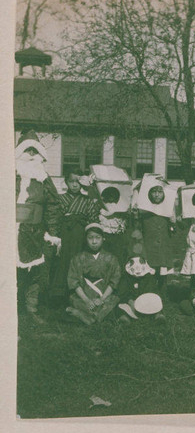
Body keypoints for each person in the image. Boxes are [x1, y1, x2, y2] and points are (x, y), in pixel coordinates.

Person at [16, 130, 62, 321]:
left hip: (36, 230)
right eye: (28, 151)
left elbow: (53, 204)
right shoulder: (9, 174)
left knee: (36, 271)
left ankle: (31, 308)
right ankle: (12, 307)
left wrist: (52, 232)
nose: (31, 156)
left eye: (35, 151)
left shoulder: (44, 178)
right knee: (12, 271)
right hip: (12, 230)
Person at [50, 167, 100, 306]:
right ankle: (59, 295)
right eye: (71, 181)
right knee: (62, 263)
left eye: (78, 182)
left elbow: (93, 219)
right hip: (64, 236)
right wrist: (55, 236)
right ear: (66, 182)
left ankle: (78, 294)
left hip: (80, 236)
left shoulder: (87, 200)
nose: (74, 185)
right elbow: (55, 218)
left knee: (78, 262)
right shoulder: (60, 199)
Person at [66, 223, 121, 325]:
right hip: (84, 297)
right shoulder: (78, 258)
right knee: (75, 301)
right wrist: (86, 300)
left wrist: (102, 299)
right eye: (90, 238)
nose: (94, 242)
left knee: (113, 303)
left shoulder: (111, 259)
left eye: (97, 238)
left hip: (103, 296)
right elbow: (74, 282)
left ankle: (83, 316)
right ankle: (94, 317)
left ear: (103, 239)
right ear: (86, 239)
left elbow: (114, 281)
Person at [98, 186, 129, 266]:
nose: (111, 198)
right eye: (109, 196)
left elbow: (123, 223)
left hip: (117, 235)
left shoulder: (121, 208)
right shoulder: (102, 208)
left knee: (117, 257)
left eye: (113, 196)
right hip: (105, 234)